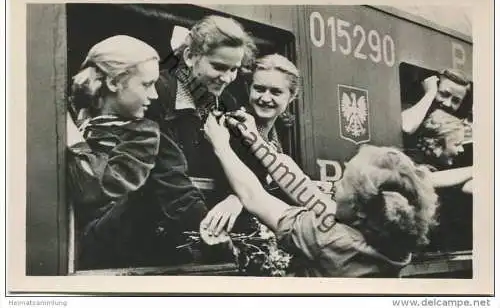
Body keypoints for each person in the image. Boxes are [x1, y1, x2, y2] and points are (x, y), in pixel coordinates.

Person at [202, 111, 439, 277]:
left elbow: (253, 195)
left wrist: (220, 144)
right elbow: (306, 190)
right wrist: (254, 139)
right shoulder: (387, 238)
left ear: (357, 206)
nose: (335, 185)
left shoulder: (327, 239)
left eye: (343, 183)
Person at [66, 35, 207, 269]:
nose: (153, 95)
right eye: (146, 84)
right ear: (113, 83)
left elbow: (95, 187)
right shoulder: (79, 119)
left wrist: (69, 135)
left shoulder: (144, 135)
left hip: (110, 257)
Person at [145, 15, 257, 215]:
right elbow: (167, 179)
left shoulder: (227, 103)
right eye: (219, 67)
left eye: (234, 69)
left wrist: (235, 197)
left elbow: (241, 166)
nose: (227, 78)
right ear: (189, 56)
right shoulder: (155, 95)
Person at [201, 54, 301, 236]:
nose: (265, 98)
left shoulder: (283, 134)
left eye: (276, 92)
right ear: (249, 88)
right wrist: (235, 196)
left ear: (292, 97)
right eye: (259, 89)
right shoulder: (230, 127)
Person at [401, 68, 471, 136]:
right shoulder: (410, 108)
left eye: (456, 101)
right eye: (443, 94)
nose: (447, 104)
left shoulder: (454, 125)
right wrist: (431, 92)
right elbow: (406, 127)